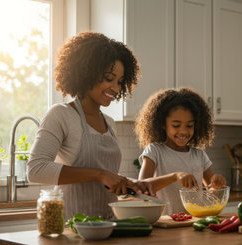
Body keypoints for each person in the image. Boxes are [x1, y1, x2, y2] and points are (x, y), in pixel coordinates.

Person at [27, 31, 154, 220]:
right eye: (109, 79)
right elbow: (36, 170)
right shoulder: (61, 114)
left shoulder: (109, 123)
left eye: (119, 82)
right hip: (73, 227)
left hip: (107, 226)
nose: (116, 88)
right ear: (87, 73)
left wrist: (127, 182)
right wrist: (99, 174)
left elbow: (104, 176)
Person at [135, 87, 227, 214]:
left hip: (192, 223)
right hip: (165, 223)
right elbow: (141, 187)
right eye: (176, 125)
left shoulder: (199, 155)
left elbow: (211, 192)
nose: (183, 131)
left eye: (189, 125)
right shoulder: (154, 151)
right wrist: (175, 176)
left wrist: (216, 186)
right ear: (162, 124)